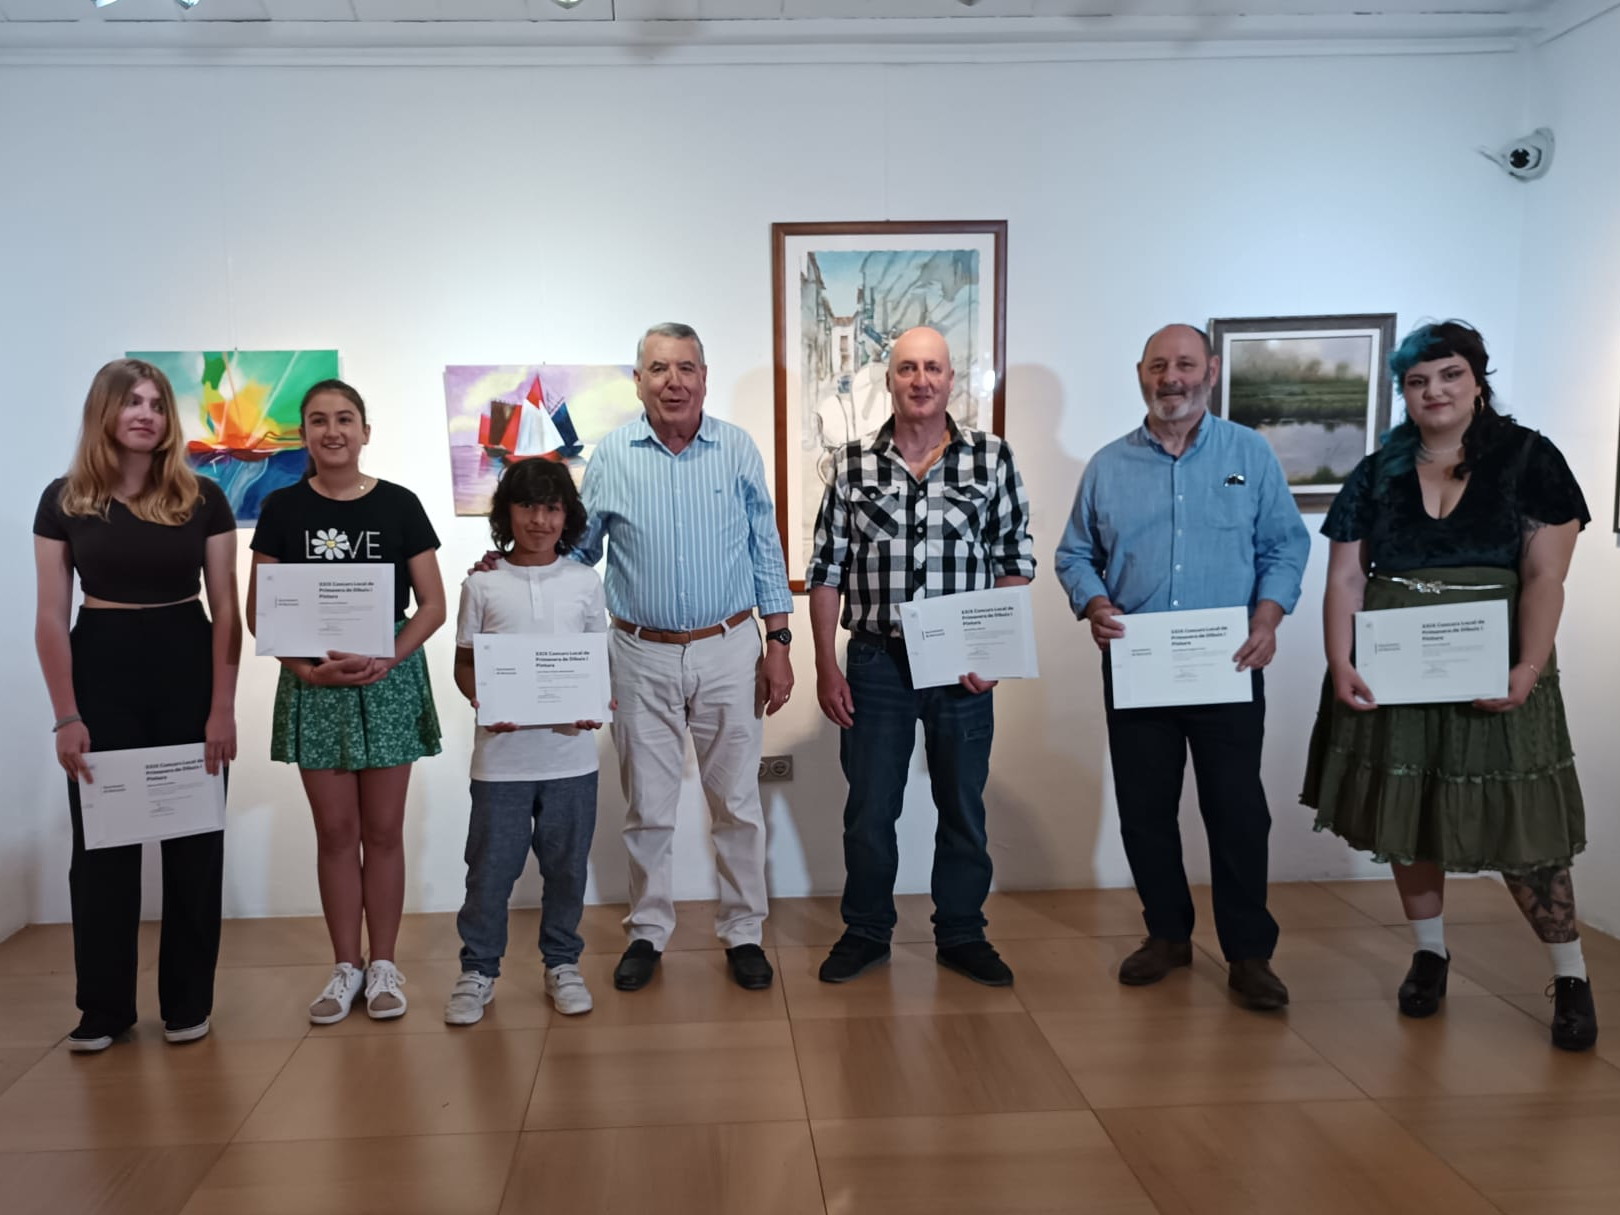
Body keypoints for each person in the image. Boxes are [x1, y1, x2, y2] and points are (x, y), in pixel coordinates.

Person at [1301, 320, 1596, 1050]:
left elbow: (1546, 576)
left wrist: (1527, 668)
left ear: (1477, 380)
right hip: (1395, 666)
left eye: (1449, 375)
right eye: (1417, 381)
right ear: (1403, 391)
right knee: (1410, 810)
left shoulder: (1529, 457)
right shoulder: (1378, 470)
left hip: (1498, 664)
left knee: (1523, 822)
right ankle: (1429, 953)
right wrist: (1340, 660)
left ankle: (1570, 974)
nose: (1434, 391)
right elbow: (1345, 578)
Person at [1054, 323, 1310, 1011]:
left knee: (1237, 811)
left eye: (1186, 365)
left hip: (1228, 663)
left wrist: (1268, 618)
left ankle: (1249, 953)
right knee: (1145, 810)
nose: (1173, 378)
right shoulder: (1107, 466)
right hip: (1138, 665)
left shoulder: (1249, 454)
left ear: (1212, 371)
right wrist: (1095, 603)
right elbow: (1074, 554)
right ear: (1141, 374)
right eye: (1159, 365)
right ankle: (1167, 935)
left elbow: (1285, 546)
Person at [807, 325, 1036, 987]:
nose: (921, 380)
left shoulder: (991, 459)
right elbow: (826, 571)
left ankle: (962, 933)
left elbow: (1014, 560)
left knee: (962, 805)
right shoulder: (852, 465)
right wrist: (825, 665)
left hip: (962, 663)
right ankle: (866, 931)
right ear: (889, 379)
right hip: (876, 662)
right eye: (908, 368)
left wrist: (992, 651)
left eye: (933, 367)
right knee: (869, 810)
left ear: (951, 379)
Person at [576, 322, 794, 993]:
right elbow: (580, 553)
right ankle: (647, 930)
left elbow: (765, 548)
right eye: (659, 369)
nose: (674, 382)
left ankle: (743, 931)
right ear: (638, 380)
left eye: (686, 368)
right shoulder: (611, 456)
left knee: (737, 803)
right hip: (638, 652)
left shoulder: (737, 448)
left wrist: (780, 643)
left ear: (704, 376)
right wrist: (514, 569)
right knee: (647, 806)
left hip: (729, 649)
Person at [33, 358, 241, 1051]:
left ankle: (187, 1003)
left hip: (187, 668)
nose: (146, 414)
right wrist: (67, 715)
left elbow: (227, 610)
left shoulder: (203, 496)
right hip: (102, 670)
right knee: (102, 848)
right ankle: (104, 1010)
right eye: (132, 402)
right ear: (106, 412)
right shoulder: (63, 500)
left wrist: (222, 708)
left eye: (156, 403)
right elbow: (49, 615)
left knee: (195, 844)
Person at [246, 379, 445, 1024]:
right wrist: (306, 670)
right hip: (315, 684)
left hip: (387, 680)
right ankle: (345, 967)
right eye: (318, 420)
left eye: (344, 419)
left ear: (365, 430)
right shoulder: (280, 507)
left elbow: (432, 605)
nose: (332, 431)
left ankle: (384, 963)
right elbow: (260, 612)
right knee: (334, 833)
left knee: (383, 832)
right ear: (303, 433)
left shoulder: (400, 504)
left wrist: (388, 658)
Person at [445, 459, 607, 1023]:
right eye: (528, 507)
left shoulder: (585, 582)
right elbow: (465, 664)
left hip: (571, 758)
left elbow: (596, 661)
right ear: (506, 513)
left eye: (552, 508)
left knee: (567, 870)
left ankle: (562, 963)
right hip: (501, 762)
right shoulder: (482, 584)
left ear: (568, 515)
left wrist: (594, 702)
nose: (540, 520)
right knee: (490, 871)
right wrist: (483, 701)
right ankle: (478, 970)